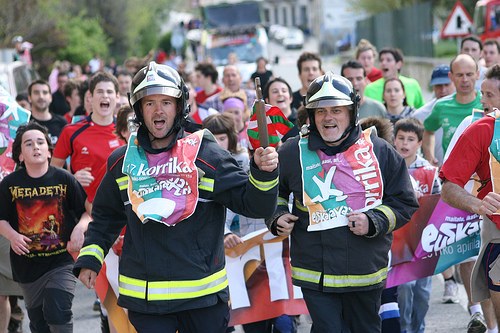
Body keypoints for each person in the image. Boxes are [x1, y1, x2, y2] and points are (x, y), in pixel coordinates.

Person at [73, 61, 279, 333]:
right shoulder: (122, 162)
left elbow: (254, 204)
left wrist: (264, 173)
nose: (158, 110)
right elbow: (105, 218)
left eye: (166, 102)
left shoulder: (207, 156)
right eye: (150, 103)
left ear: (179, 106)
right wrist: (90, 257)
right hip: (147, 302)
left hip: (202, 299)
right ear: (139, 109)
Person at [265, 71, 419, 332]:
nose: (328, 118)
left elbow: (404, 202)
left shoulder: (379, 150)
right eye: (321, 111)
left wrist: (374, 220)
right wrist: (277, 216)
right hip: (315, 273)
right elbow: (273, 194)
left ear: (352, 113)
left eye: (337, 110)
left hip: (365, 271)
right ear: (311, 116)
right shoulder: (291, 152)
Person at [0, 121, 91, 332]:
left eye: (41, 142)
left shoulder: (64, 179)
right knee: (39, 323)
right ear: (20, 155)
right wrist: (12, 236)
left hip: (62, 262)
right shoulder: (10, 184)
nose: (36, 147)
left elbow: (87, 212)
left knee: (58, 312)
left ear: (49, 152)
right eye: (29, 144)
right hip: (27, 267)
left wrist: (80, 227)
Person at [439, 64, 500, 333]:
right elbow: (449, 186)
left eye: (489, 95)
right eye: (482, 94)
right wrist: (477, 204)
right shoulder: (480, 129)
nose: (482, 101)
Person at [393, 118, 441, 333]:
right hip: (398, 240)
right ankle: (405, 329)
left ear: (420, 143)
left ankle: (418, 327)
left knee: (422, 292)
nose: (405, 143)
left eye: (410, 139)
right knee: (404, 287)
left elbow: (438, 203)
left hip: (424, 240)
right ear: (393, 140)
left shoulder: (430, 172)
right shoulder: (388, 167)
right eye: (401, 138)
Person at [51, 71, 124, 202]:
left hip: (121, 211)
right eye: (100, 91)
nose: (105, 96)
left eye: (109, 92)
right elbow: (52, 172)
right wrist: (71, 179)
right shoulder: (71, 131)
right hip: (83, 210)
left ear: (117, 96)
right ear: (90, 96)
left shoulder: (128, 131)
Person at [423, 54, 482, 167]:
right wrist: (430, 157)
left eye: (469, 74)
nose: (465, 80)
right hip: (452, 175)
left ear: (477, 74)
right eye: (459, 75)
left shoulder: (487, 104)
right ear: (451, 76)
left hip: (482, 175)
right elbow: (428, 131)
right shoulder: (441, 106)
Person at [413, 64, 455, 167]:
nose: (443, 89)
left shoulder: (467, 109)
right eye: (438, 85)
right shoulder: (420, 115)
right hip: (434, 170)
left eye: (446, 84)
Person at [27, 80, 68, 146]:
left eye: (45, 92)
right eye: (36, 93)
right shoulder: (25, 122)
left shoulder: (62, 123)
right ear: (29, 98)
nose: (41, 96)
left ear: (50, 97)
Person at [263, 77, 300, 141]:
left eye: (284, 91)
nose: (280, 94)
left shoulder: (302, 119)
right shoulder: (263, 124)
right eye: (275, 91)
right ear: (267, 100)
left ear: (291, 98)